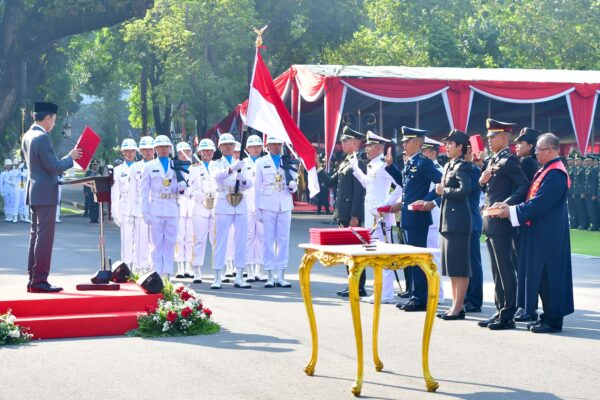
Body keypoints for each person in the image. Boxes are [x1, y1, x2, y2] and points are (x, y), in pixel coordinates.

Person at [490, 133, 574, 333]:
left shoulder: (556, 174)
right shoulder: (546, 170)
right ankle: (546, 317)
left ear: (552, 150)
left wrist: (511, 211)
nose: (536, 153)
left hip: (549, 234)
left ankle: (553, 321)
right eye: (536, 149)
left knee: (550, 275)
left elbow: (540, 204)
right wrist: (509, 205)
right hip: (540, 231)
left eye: (539, 150)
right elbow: (531, 199)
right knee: (542, 275)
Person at [21, 101, 82, 292]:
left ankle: (33, 277)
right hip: (46, 193)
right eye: (54, 120)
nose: (54, 124)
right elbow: (53, 166)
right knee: (45, 238)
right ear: (47, 118)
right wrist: (71, 157)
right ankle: (39, 280)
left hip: (35, 191)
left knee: (36, 236)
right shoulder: (42, 137)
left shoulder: (28, 135)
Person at [477, 118, 529, 330]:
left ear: (504, 137)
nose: (488, 141)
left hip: (502, 221)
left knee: (505, 267)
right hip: (491, 221)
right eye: (488, 137)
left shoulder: (509, 161)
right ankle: (500, 310)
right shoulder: (492, 161)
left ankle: (507, 314)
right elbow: (489, 192)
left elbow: (523, 186)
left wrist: (506, 204)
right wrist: (482, 182)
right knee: (497, 269)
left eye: (492, 137)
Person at [385, 126, 442, 312]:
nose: (404, 144)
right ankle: (415, 295)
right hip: (409, 216)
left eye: (407, 141)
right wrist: (390, 167)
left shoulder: (424, 162)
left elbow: (443, 181)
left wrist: (427, 200)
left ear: (418, 143)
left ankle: (420, 298)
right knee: (412, 258)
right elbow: (405, 185)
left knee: (418, 258)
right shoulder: (411, 162)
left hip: (419, 216)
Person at [351, 131, 400, 304]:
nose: (367, 148)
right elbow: (368, 185)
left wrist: (387, 203)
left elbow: (400, 185)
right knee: (375, 254)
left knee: (383, 254)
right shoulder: (372, 164)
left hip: (380, 217)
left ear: (379, 148)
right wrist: (356, 169)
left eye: (370, 146)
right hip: (371, 216)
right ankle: (380, 290)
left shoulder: (383, 165)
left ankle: (385, 293)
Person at [317, 126, 367, 297]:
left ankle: (359, 286)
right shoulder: (346, 161)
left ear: (355, 142)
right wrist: (317, 168)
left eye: (345, 141)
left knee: (355, 252)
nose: (342, 144)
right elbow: (331, 182)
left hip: (351, 215)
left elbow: (359, 192)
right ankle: (352, 283)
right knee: (348, 252)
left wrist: (355, 215)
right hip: (343, 213)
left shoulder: (358, 162)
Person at [434, 130, 472, 320]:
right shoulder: (449, 164)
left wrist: (444, 190)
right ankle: (455, 305)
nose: (446, 146)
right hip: (449, 221)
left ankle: (458, 307)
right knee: (452, 267)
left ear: (460, 147)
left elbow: (465, 190)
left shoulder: (462, 166)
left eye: (450, 143)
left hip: (458, 222)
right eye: (446, 143)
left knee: (460, 266)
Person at [209, 133, 253, 289]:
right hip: (223, 201)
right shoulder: (215, 163)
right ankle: (217, 276)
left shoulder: (242, 163)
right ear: (220, 147)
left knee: (241, 241)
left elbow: (249, 184)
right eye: (225, 144)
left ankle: (240, 275)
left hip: (240, 202)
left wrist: (243, 179)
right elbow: (216, 176)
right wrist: (231, 169)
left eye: (230, 145)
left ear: (235, 147)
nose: (228, 147)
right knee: (220, 241)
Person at [254, 136, 298, 288]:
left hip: (284, 202)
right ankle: (269, 275)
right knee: (268, 240)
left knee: (283, 240)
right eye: (273, 144)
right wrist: (257, 209)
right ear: (267, 145)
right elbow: (257, 187)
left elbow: (294, 182)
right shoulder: (261, 162)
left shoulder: (287, 160)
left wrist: (294, 185)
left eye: (278, 144)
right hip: (267, 203)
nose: (276, 147)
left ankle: (281, 274)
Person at [141, 135, 182, 278]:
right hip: (156, 207)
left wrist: (182, 187)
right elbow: (144, 192)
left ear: (170, 148)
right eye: (160, 147)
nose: (163, 149)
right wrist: (145, 212)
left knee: (170, 242)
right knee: (157, 243)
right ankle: (157, 272)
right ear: (156, 149)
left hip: (172, 206)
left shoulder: (176, 164)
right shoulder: (149, 166)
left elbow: (184, 188)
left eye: (166, 147)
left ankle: (168, 273)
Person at [189, 138, 218, 284]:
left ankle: (217, 270)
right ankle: (197, 270)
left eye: (211, 150)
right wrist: (201, 196)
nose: (209, 153)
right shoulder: (194, 168)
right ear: (200, 152)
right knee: (199, 240)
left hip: (215, 206)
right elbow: (191, 187)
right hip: (200, 207)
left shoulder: (218, 166)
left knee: (216, 240)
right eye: (206, 150)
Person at [422, 137, 445, 304]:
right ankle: (431, 291)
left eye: (425, 151)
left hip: (434, 218)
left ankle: (439, 293)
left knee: (434, 257)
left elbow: (438, 193)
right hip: (427, 217)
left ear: (432, 153)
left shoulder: (438, 170)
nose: (422, 153)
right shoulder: (427, 168)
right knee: (427, 257)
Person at [128, 136, 155, 273]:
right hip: (139, 209)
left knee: (155, 241)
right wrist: (131, 212)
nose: (148, 152)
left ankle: (153, 268)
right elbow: (132, 191)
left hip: (156, 208)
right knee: (140, 240)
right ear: (140, 151)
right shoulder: (134, 167)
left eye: (150, 149)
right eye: (145, 149)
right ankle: (139, 267)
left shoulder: (158, 165)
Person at [111, 138, 138, 269]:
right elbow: (115, 192)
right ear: (122, 152)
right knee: (126, 239)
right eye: (127, 151)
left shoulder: (141, 167)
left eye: (132, 150)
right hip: (125, 205)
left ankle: (138, 267)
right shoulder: (118, 170)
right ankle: (126, 267)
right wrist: (115, 212)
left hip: (138, 207)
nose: (129, 153)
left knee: (139, 240)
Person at [244, 134, 267, 283]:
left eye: (258, 146)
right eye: (253, 147)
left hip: (262, 203)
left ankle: (259, 269)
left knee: (261, 237)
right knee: (248, 237)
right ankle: (249, 269)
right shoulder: (243, 162)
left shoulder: (265, 162)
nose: (256, 149)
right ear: (248, 148)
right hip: (246, 203)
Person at [463, 144, 484, 313]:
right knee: (463, 263)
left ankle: (475, 299)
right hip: (461, 222)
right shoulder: (460, 168)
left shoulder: (473, 170)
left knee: (473, 263)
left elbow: (464, 191)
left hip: (471, 221)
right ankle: (465, 297)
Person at [174, 141, 194, 278]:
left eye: (186, 151)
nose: (184, 155)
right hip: (179, 204)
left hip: (192, 204)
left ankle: (189, 266)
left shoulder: (196, 167)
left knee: (191, 237)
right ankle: (180, 266)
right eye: (181, 152)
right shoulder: (173, 167)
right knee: (179, 237)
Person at [583, 155, 598, 231]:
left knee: (593, 210)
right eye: (586, 161)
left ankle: (595, 225)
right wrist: (585, 192)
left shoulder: (594, 170)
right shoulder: (587, 169)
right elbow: (586, 182)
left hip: (592, 194)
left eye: (588, 160)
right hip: (587, 193)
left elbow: (594, 183)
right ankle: (592, 224)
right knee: (589, 210)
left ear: (592, 161)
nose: (586, 162)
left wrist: (594, 194)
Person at [573, 156, 588, 229]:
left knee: (582, 209)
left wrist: (582, 192)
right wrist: (574, 192)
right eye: (576, 160)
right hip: (576, 192)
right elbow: (575, 182)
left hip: (580, 192)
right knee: (578, 209)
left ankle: (584, 224)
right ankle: (580, 223)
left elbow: (583, 182)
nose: (576, 161)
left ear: (581, 161)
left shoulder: (583, 169)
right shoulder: (576, 169)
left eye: (578, 160)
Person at [84, 159, 101, 223]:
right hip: (90, 191)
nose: (95, 166)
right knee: (91, 205)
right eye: (94, 165)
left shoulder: (99, 173)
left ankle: (96, 218)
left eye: (96, 165)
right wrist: (85, 191)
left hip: (97, 191)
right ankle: (92, 218)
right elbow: (85, 182)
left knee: (96, 205)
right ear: (91, 165)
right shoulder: (88, 173)